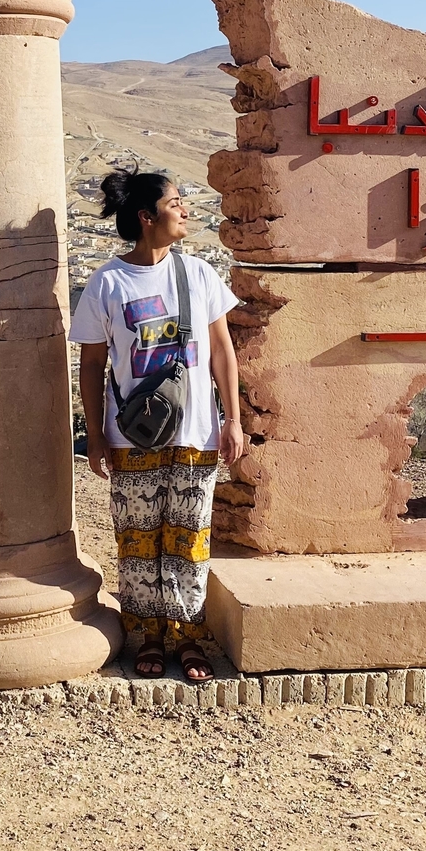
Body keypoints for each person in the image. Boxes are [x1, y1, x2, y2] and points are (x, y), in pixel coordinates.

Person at [69, 170, 245, 682]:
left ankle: (188, 637)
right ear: (147, 217)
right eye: (175, 203)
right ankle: (147, 635)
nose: (185, 210)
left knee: (189, 540)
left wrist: (232, 419)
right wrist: (96, 436)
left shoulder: (198, 274)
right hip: (133, 435)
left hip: (195, 431)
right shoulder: (108, 283)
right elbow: (91, 365)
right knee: (138, 541)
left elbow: (222, 351)